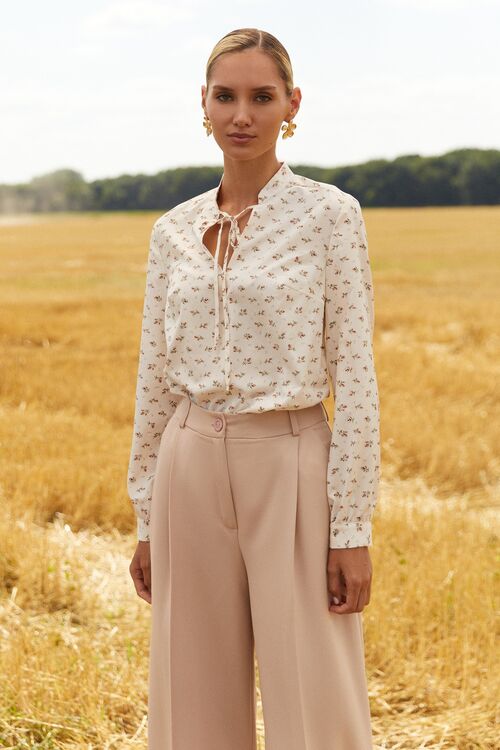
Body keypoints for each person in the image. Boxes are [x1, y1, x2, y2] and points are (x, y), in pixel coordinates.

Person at [127, 27, 380, 750]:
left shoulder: (330, 216)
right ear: (202, 106)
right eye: (226, 96)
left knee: (316, 693)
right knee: (190, 695)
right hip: (189, 462)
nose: (242, 114)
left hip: (291, 461)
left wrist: (351, 528)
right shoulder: (172, 230)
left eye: (260, 97)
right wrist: (146, 511)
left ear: (291, 105)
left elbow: (355, 374)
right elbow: (153, 375)